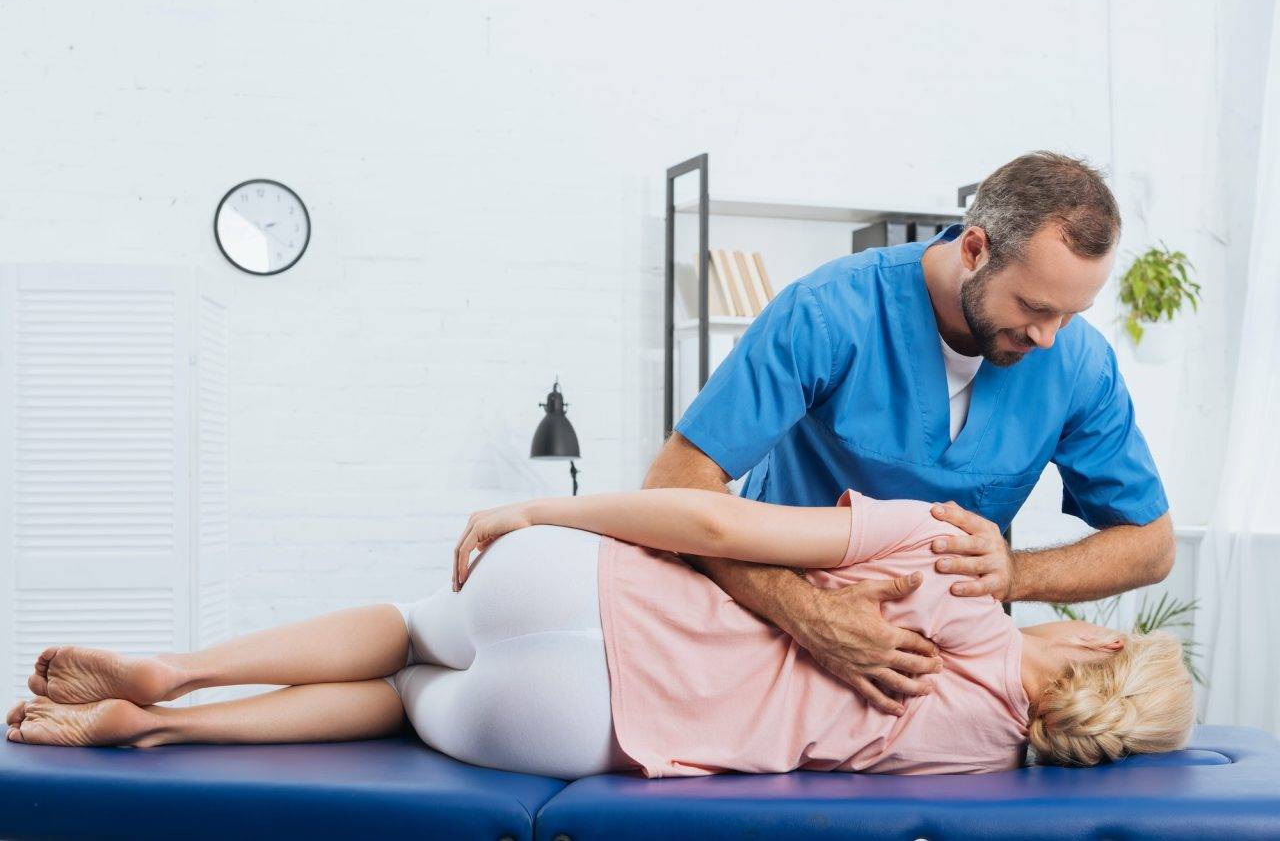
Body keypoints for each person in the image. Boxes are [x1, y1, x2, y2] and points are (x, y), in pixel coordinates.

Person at [6, 488, 1194, 779]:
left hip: (578, 591)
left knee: (412, 624)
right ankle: (155, 726)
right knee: (412, 699)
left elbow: (709, 515)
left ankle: (190, 663)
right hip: (587, 728)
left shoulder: (944, 556)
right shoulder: (984, 754)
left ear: (1093, 649)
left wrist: (541, 508)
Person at [645, 151, 1177, 716]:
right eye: (1033, 306)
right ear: (975, 249)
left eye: (1070, 314)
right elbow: (673, 486)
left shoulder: (1078, 364)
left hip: (949, 681)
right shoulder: (828, 312)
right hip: (781, 644)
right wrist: (805, 611)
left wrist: (1015, 573)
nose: (1048, 337)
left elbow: (1150, 545)